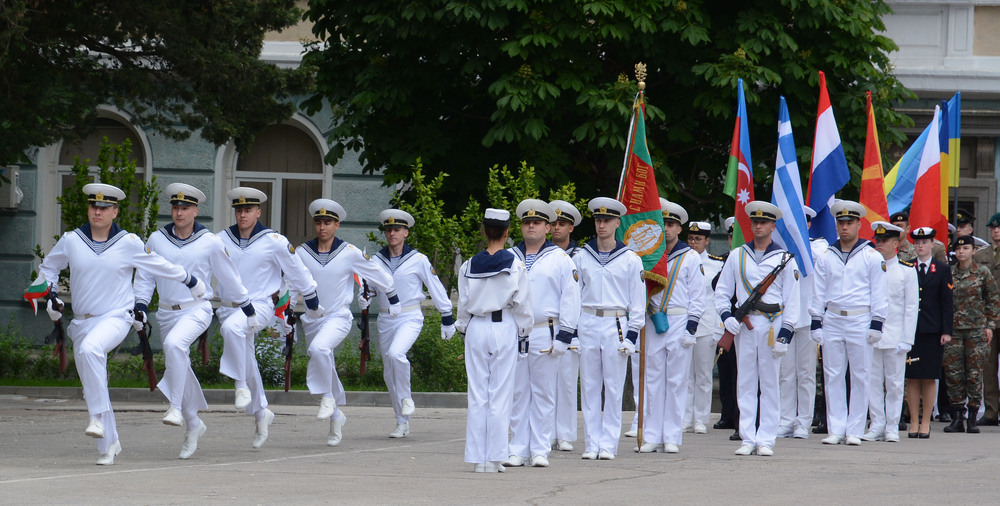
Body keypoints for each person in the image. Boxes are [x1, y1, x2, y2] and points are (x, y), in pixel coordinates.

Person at [29, 183, 206, 465]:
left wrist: (190, 280)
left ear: (115, 211)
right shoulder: (72, 240)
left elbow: (157, 264)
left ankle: (96, 417)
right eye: (93, 206)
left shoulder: (128, 242)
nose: (97, 212)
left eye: (104, 208)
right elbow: (48, 269)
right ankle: (109, 445)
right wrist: (49, 295)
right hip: (82, 322)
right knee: (93, 381)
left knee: (90, 350)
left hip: (115, 316)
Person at [133, 183, 262, 459]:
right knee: (177, 361)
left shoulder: (210, 241)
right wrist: (140, 306)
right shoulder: (157, 239)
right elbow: (145, 276)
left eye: (185, 208)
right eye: (175, 207)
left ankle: (175, 408)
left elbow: (229, 277)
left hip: (197, 309)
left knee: (175, 345)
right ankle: (194, 423)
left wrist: (247, 307)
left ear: (195, 211)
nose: (179, 213)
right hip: (166, 311)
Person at [216, 187, 322, 449]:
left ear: (258, 212)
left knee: (231, 330)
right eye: (239, 210)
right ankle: (262, 412)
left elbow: (296, 270)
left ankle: (240, 385)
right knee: (247, 357)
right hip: (229, 306)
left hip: (259, 306)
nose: (242, 215)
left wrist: (311, 297)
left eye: (248, 210)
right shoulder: (221, 239)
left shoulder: (273, 240)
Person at [295, 199, 400, 446]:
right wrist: (284, 316)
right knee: (325, 363)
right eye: (319, 222)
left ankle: (327, 398)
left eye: (328, 222)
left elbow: (377, 274)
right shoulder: (302, 253)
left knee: (319, 349)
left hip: (338, 317)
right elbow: (291, 282)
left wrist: (393, 297)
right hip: (312, 319)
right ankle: (336, 419)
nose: (322, 227)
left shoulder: (349, 252)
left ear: (337, 225)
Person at [714, 201, 799, 456]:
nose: (758, 226)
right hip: (744, 326)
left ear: (773, 226)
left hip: (772, 325)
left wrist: (786, 333)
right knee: (746, 382)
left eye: (764, 222)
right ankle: (748, 437)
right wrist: (727, 316)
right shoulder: (737, 255)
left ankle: (766, 439)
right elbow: (722, 292)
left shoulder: (784, 259)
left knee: (770, 383)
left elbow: (792, 299)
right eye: (755, 222)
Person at [363, 208, 454, 439]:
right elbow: (371, 289)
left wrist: (446, 316)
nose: (392, 233)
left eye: (397, 229)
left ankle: (406, 398)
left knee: (396, 354)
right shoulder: (376, 260)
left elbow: (435, 286)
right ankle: (401, 422)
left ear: (406, 233)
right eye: (388, 230)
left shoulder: (418, 259)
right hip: (386, 318)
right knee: (389, 373)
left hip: (409, 316)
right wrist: (365, 297)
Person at [503, 199, 581, 468]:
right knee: (517, 393)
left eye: (536, 222)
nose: (531, 227)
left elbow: (571, 298)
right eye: (526, 222)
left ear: (547, 227)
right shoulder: (509, 256)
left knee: (544, 393)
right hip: (515, 331)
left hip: (545, 331)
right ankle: (517, 449)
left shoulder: (560, 258)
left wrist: (565, 335)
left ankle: (539, 449)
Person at [456, 208, 533, 473]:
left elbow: (463, 305)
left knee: (478, 394)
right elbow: (523, 305)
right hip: (503, 326)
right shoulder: (515, 264)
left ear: (484, 231)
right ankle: (494, 457)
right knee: (500, 394)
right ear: (507, 232)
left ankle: (478, 459)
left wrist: (464, 330)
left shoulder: (468, 265)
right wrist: (524, 334)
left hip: (476, 326)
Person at [811, 200, 888, 446]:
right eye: (841, 223)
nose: (845, 227)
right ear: (836, 225)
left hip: (860, 318)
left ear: (858, 225)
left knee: (860, 375)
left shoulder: (871, 256)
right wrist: (816, 321)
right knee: (832, 374)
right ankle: (836, 428)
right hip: (833, 317)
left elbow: (879, 292)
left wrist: (877, 323)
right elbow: (818, 291)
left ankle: (854, 429)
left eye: (850, 222)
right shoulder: (826, 256)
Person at [575, 197, 645, 460]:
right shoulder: (582, 256)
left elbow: (637, 302)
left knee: (613, 387)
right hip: (588, 319)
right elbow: (574, 296)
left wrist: (632, 336)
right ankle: (591, 443)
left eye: (607, 220)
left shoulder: (630, 259)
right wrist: (573, 332)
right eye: (598, 220)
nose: (601, 225)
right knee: (589, 386)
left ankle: (608, 444)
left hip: (615, 323)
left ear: (617, 223)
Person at [637, 200, 704, 454]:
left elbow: (697, 297)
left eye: (671, 224)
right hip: (654, 319)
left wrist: (691, 328)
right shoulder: (650, 255)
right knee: (653, 379)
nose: (666, 228)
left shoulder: (690, 256)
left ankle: (672, 436)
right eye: (663, 223)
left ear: (679, 229)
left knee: (676, 381)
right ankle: (652, 435)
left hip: (678, 319)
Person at [863, 221, 918, 443]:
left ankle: (892, 426)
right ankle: (877, 424)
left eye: (885, 240)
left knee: (894, 384)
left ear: (896, 243)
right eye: (878, 240)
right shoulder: (869, 267)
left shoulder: (906, 270)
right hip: (870, 335)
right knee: (872, 382)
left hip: (895, 336)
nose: (880, 244)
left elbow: (911, 307)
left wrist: (907, 339)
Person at [942, 235, 1000, 433]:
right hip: (953, 331)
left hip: (976, 331)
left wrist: (990, 325)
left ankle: (973, 416)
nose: (961, 252)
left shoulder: (982, 273)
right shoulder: (949, 273)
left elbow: (993, 299)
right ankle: (958, 416)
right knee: (954, 374)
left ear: (973, 251)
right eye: (958, 249)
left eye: (966, 248)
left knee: (975, 374)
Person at [778, 206, 825, 439]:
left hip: (806, 317)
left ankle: (803, 422)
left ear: (808, 224)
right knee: (786, 373)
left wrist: (799, 243)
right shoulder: (781, 247)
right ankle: (786, 419)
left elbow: (818, 259)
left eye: (802, 222)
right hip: (785, 316)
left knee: (806, 373)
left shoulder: (818, 246)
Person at [905, 227, 953, 438]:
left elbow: (947, 302)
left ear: (933, 244)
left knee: (929, 377)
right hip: (911, 329)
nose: (920, 246)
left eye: (924, 242)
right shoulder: (907, 267)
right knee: (912, 377)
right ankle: (914, 421)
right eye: (917, 242)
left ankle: (926, 421)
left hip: (932, 331)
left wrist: (946, 331)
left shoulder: (942, 269)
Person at [548, 199, 583, 451]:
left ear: (571, 228)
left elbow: (583, 295)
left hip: (572, 326)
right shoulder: (544, 254)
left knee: (567, 384)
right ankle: (547, 432)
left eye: (562, 224)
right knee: (545, 384)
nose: (557, 228)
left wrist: (576, 331)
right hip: (546, 324)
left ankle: (565, 434)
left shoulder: (580, 256)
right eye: (554, 223)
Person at [682, 220, 723, 435]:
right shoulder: (681, 260)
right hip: (683, 325)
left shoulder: (716, 265)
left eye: (698, 239)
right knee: (685, 375)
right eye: (690, 238)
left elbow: (720, 298)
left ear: (707, 241)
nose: (693, 243)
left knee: (704, 375)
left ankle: (701, 418)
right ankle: (686, 417)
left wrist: (719, 327)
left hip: (706, 325)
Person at [715, 216, 741, 442]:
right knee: (727, 371)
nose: (733, 240)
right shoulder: (727, 260)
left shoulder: (744, 259)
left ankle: (740, 419)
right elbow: (717, 285)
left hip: (747, 322)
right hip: (729, 322)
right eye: (731, 236)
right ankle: (728, 414)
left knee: (743, 374)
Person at [974, 212, 1000, 426]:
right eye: (993, 228)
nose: (996, 231)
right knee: (988, 368)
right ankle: (991, 412)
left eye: (999, 227)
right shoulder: (980, 255)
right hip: (988, 318)